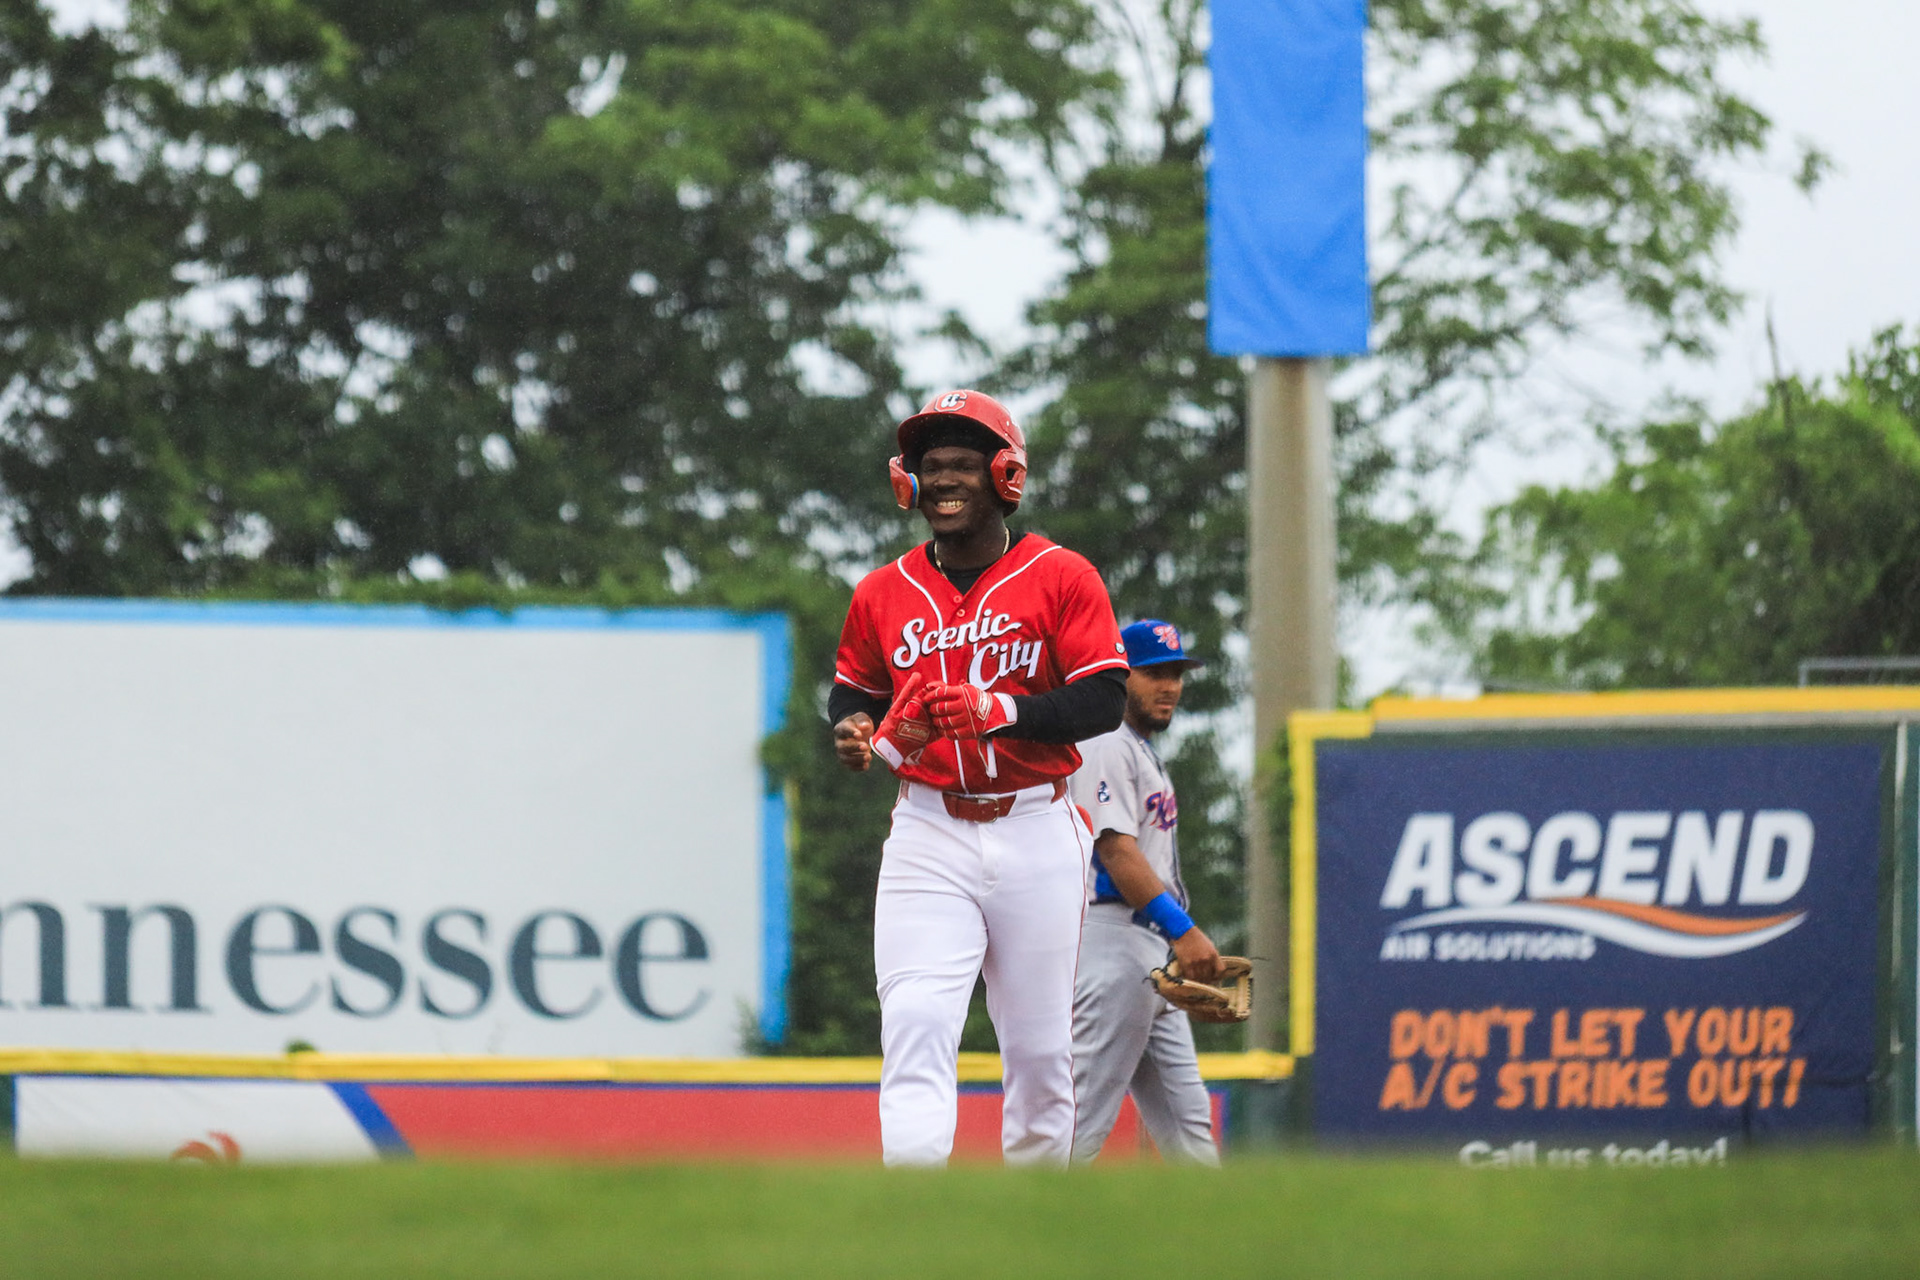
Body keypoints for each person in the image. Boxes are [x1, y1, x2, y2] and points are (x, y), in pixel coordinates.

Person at [829, 389, 1129, 1167]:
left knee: (1039, 1049)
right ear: (908, 481)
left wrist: (1001, 710)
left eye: (963, 463)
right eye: (930, 466)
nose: (943, 480)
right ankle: (916, 1211)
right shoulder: (882, 591)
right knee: (916, 1020)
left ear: (1005, 475)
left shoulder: (1062, 574)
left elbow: (1104, 697)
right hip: (928, 827)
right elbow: (856, 689)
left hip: (1036, 826)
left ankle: (1034, 1215)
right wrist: (853, 727)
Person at [1068, 618, 1223, 1164]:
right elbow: (1116, 852)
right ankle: (1023, 1213)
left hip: (1150, 945)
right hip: (1114, 941)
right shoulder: (1105, 740)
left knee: (1190, 1128)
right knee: (1080, 1124)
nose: (1169, 686)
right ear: (1120, 676)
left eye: (1176, 674)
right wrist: (1184, 931)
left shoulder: (1136, 746)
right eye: (1154, 673)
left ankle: (1216, 1224)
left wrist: (1173, 936)